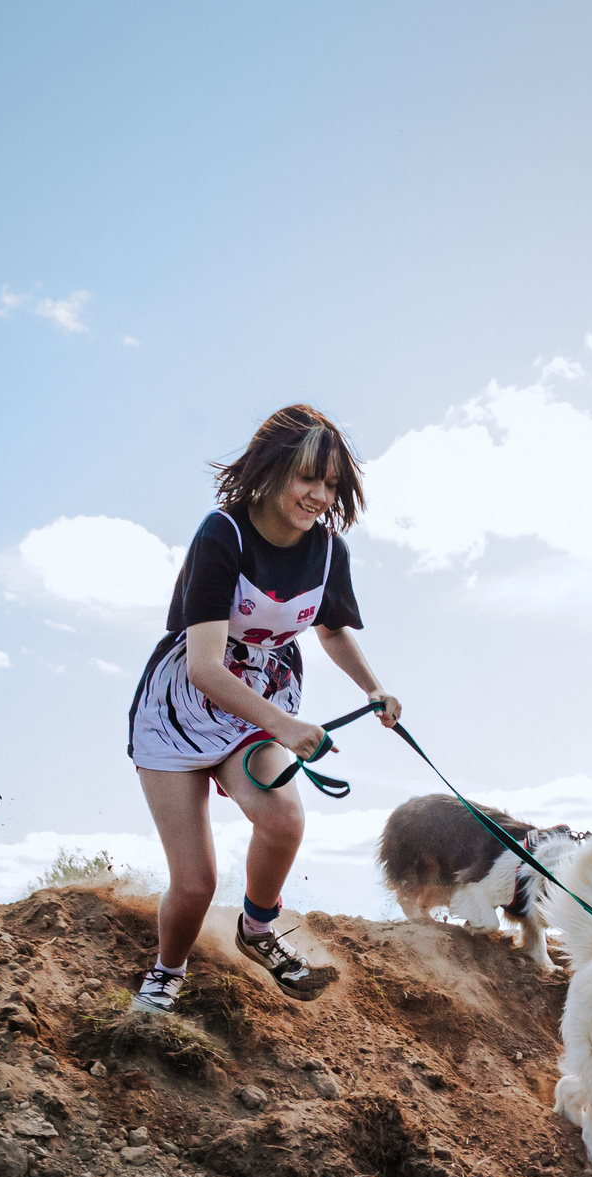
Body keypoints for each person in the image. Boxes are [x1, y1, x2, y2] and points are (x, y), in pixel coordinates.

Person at [125, 406, 400, 1011]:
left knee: (283, 820)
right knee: (195, 883)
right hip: (184, 705)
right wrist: (284, 725)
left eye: (331, 485)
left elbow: (330, 632)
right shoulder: (222, 534)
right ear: (276, 470)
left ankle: (256, 928)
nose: (319, 496)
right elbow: (202, 666)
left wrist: (372, 689)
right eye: (309, 479)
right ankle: (166, 974)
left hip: (262, 699)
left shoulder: (328, 551)